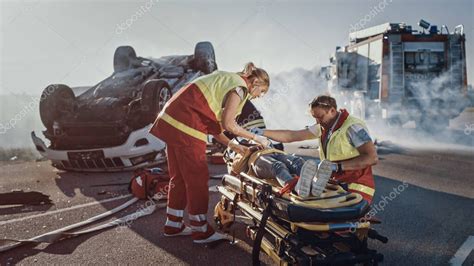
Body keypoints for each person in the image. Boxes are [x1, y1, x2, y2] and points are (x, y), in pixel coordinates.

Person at [149, 62, 272, 244]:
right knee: (197, 178)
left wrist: (234, 145)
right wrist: (256, 138)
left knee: (179, 177)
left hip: (171, 119)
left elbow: (214, 128)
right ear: (255, 83)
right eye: (261, 92)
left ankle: (173, 225)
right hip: (188, 124)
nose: (258, 97)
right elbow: (230, 124)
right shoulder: (240, 89)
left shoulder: (225, 79)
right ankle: (201, 231)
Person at [252, 95, 378, 203]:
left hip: (357, 187)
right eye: (314, 117)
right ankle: (308, 186)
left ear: (332, 111)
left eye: (320, 116)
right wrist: (263, 132)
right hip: (337, 182)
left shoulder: (353, 127)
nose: (317, 121)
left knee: (336, 223)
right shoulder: (324, 126)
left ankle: (304, 186)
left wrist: (337, 167)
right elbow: (292, 136)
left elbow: (372, 158)